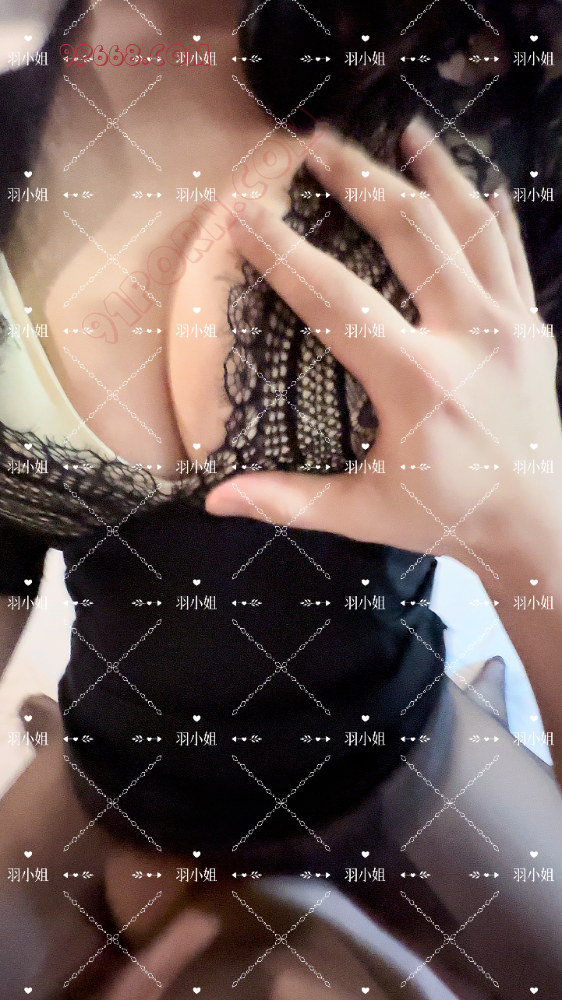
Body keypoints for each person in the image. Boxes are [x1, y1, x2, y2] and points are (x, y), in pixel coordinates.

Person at [1, 1, 562, 997]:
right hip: (111, 773)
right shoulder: (15, 128)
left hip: (402, 758)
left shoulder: (512, 104)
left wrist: (527, 521)